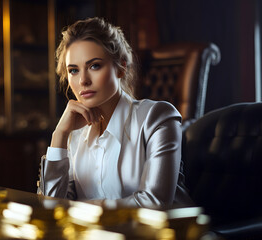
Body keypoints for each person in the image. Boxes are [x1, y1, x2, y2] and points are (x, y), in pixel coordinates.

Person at [37, 17, 193, 209]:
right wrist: (59, 135)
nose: (83, 80)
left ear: (121, 68)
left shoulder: (157, 117)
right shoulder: (74, 132)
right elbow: (50, 207)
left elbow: (155, 203)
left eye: (94, 66)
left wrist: (83, 209)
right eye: (74, 70)